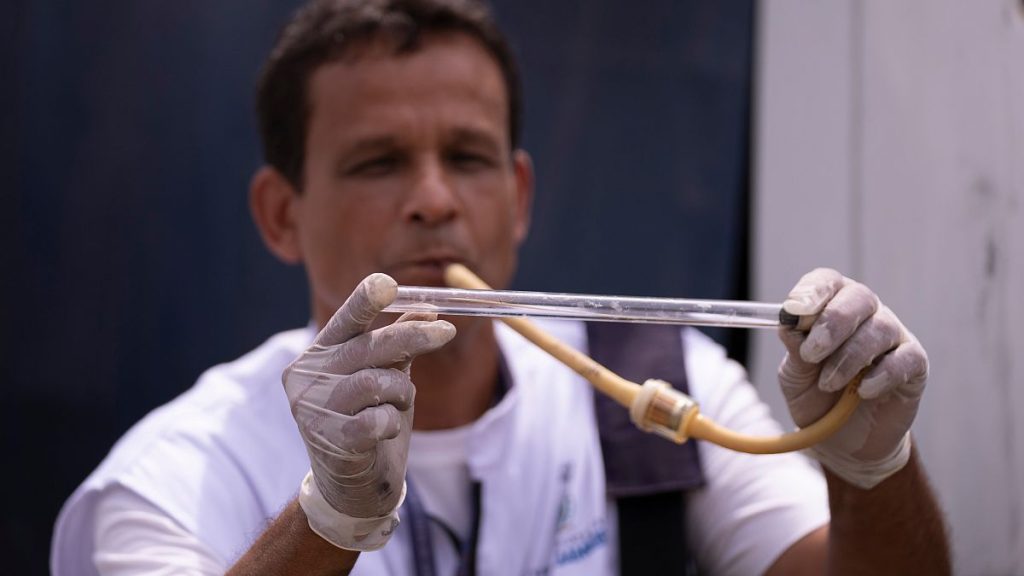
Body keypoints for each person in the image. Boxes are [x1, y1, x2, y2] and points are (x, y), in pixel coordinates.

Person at [52, 0, 950, 574]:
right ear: (280, 213)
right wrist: (326, 521)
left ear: (518, 198)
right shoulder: (174, 475)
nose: (435, 201)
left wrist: (869, 467)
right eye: (378, 162)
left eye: (469, 158)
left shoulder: (664, 390)